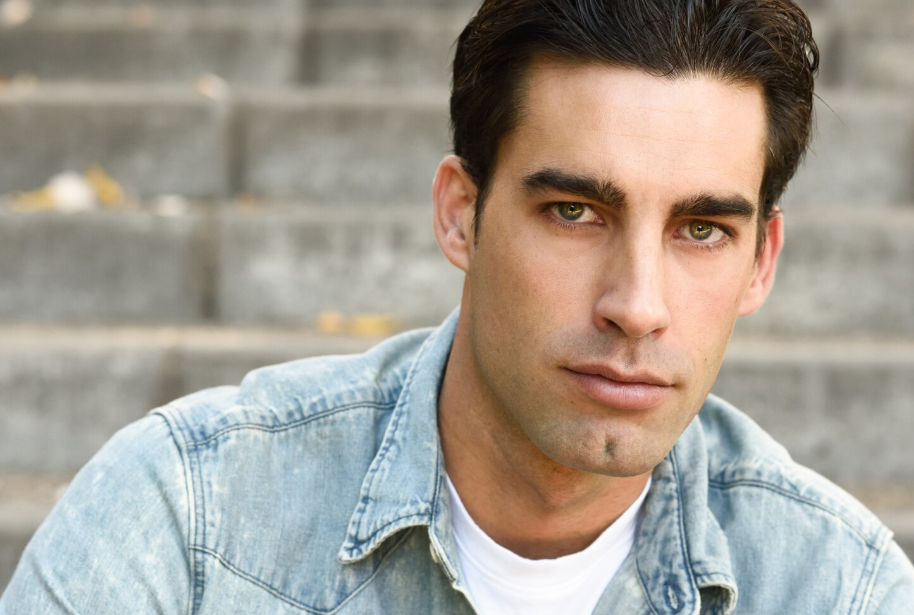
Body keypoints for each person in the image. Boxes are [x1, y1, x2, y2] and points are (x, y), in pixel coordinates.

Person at [3, 0, 913, 613]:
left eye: (702, 229)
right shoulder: (190, 514)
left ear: (761, 261)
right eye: (574, 212)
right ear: (459, 215)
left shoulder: (839, 587)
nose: (638, 305)